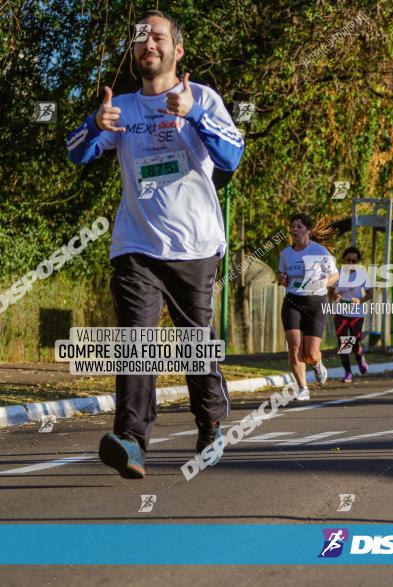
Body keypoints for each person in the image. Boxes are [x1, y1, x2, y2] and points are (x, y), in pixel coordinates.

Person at [66, 10, 244, 479]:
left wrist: (195, 114)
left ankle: (209, 421)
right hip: (136, 244)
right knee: (136, 341)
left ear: (177, 50)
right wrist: (94, 123)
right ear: (134, 52)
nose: (149, 43)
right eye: (141, 37)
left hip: (196, 246)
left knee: (192, 345)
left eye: (158, 37)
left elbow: (232, 155)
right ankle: (131, 439)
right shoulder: (120, 108)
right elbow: (76, 152)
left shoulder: (202, 97)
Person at [277, 213, 339, 399]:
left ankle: (317, 364)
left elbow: (335, 276)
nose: (294, 229)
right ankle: (303, 387)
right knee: (294, 347)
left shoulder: (320, 251)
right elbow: (281, 277)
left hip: (316, 303)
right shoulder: (285, 254)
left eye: (299, 226)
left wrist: (323, 283)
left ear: (308, 231)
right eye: (293, 226)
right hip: (293, 302)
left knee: (310, 354)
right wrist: (281, 278)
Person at [330, 246, 372, 383]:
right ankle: (348, 372)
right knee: (344, 343)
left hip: (356, 313)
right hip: (341, 312)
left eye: (354, 261)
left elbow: (370, 293)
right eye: (348, 260)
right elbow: (330, 293)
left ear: (358, 262)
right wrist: (335, 296)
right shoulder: (337, 273)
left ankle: (360, 357)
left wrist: (360, 300)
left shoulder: (362, 274)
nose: (351, 263)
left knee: (355, 343)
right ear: (344, 260)